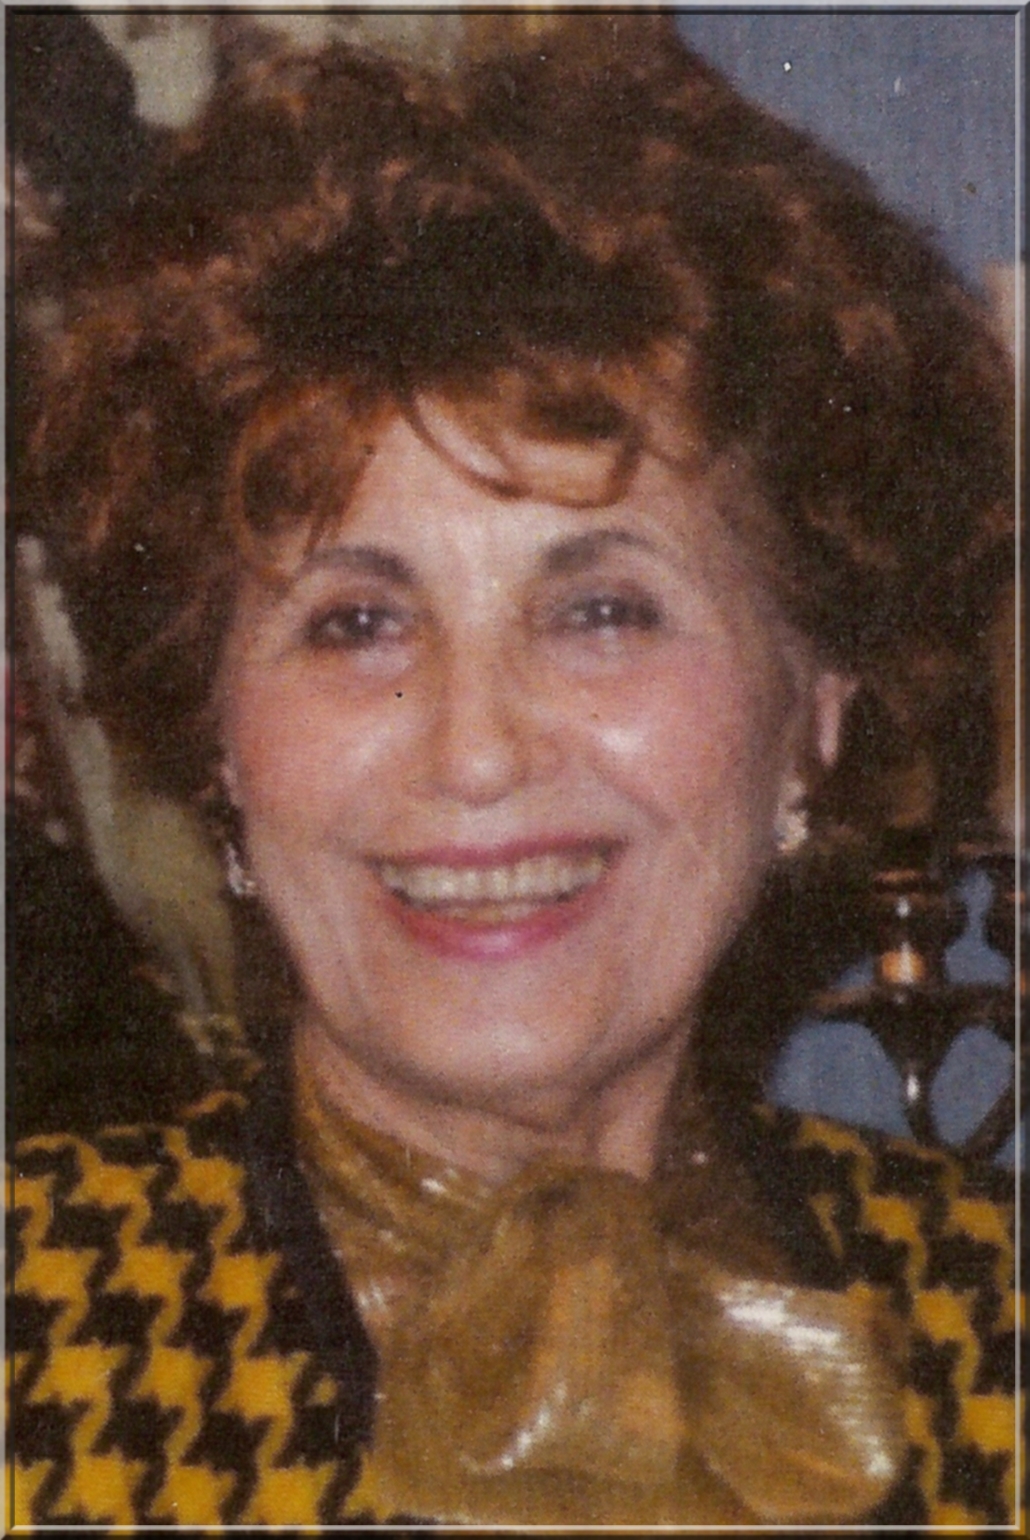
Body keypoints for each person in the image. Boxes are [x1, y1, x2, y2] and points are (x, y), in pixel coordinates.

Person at [8, 14, 1017, 1529]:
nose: (475, 752)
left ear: (815, 703)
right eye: (355, 623)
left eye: (603, 612)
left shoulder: (996, 1309)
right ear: (217, 736)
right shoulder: (30, 1322)